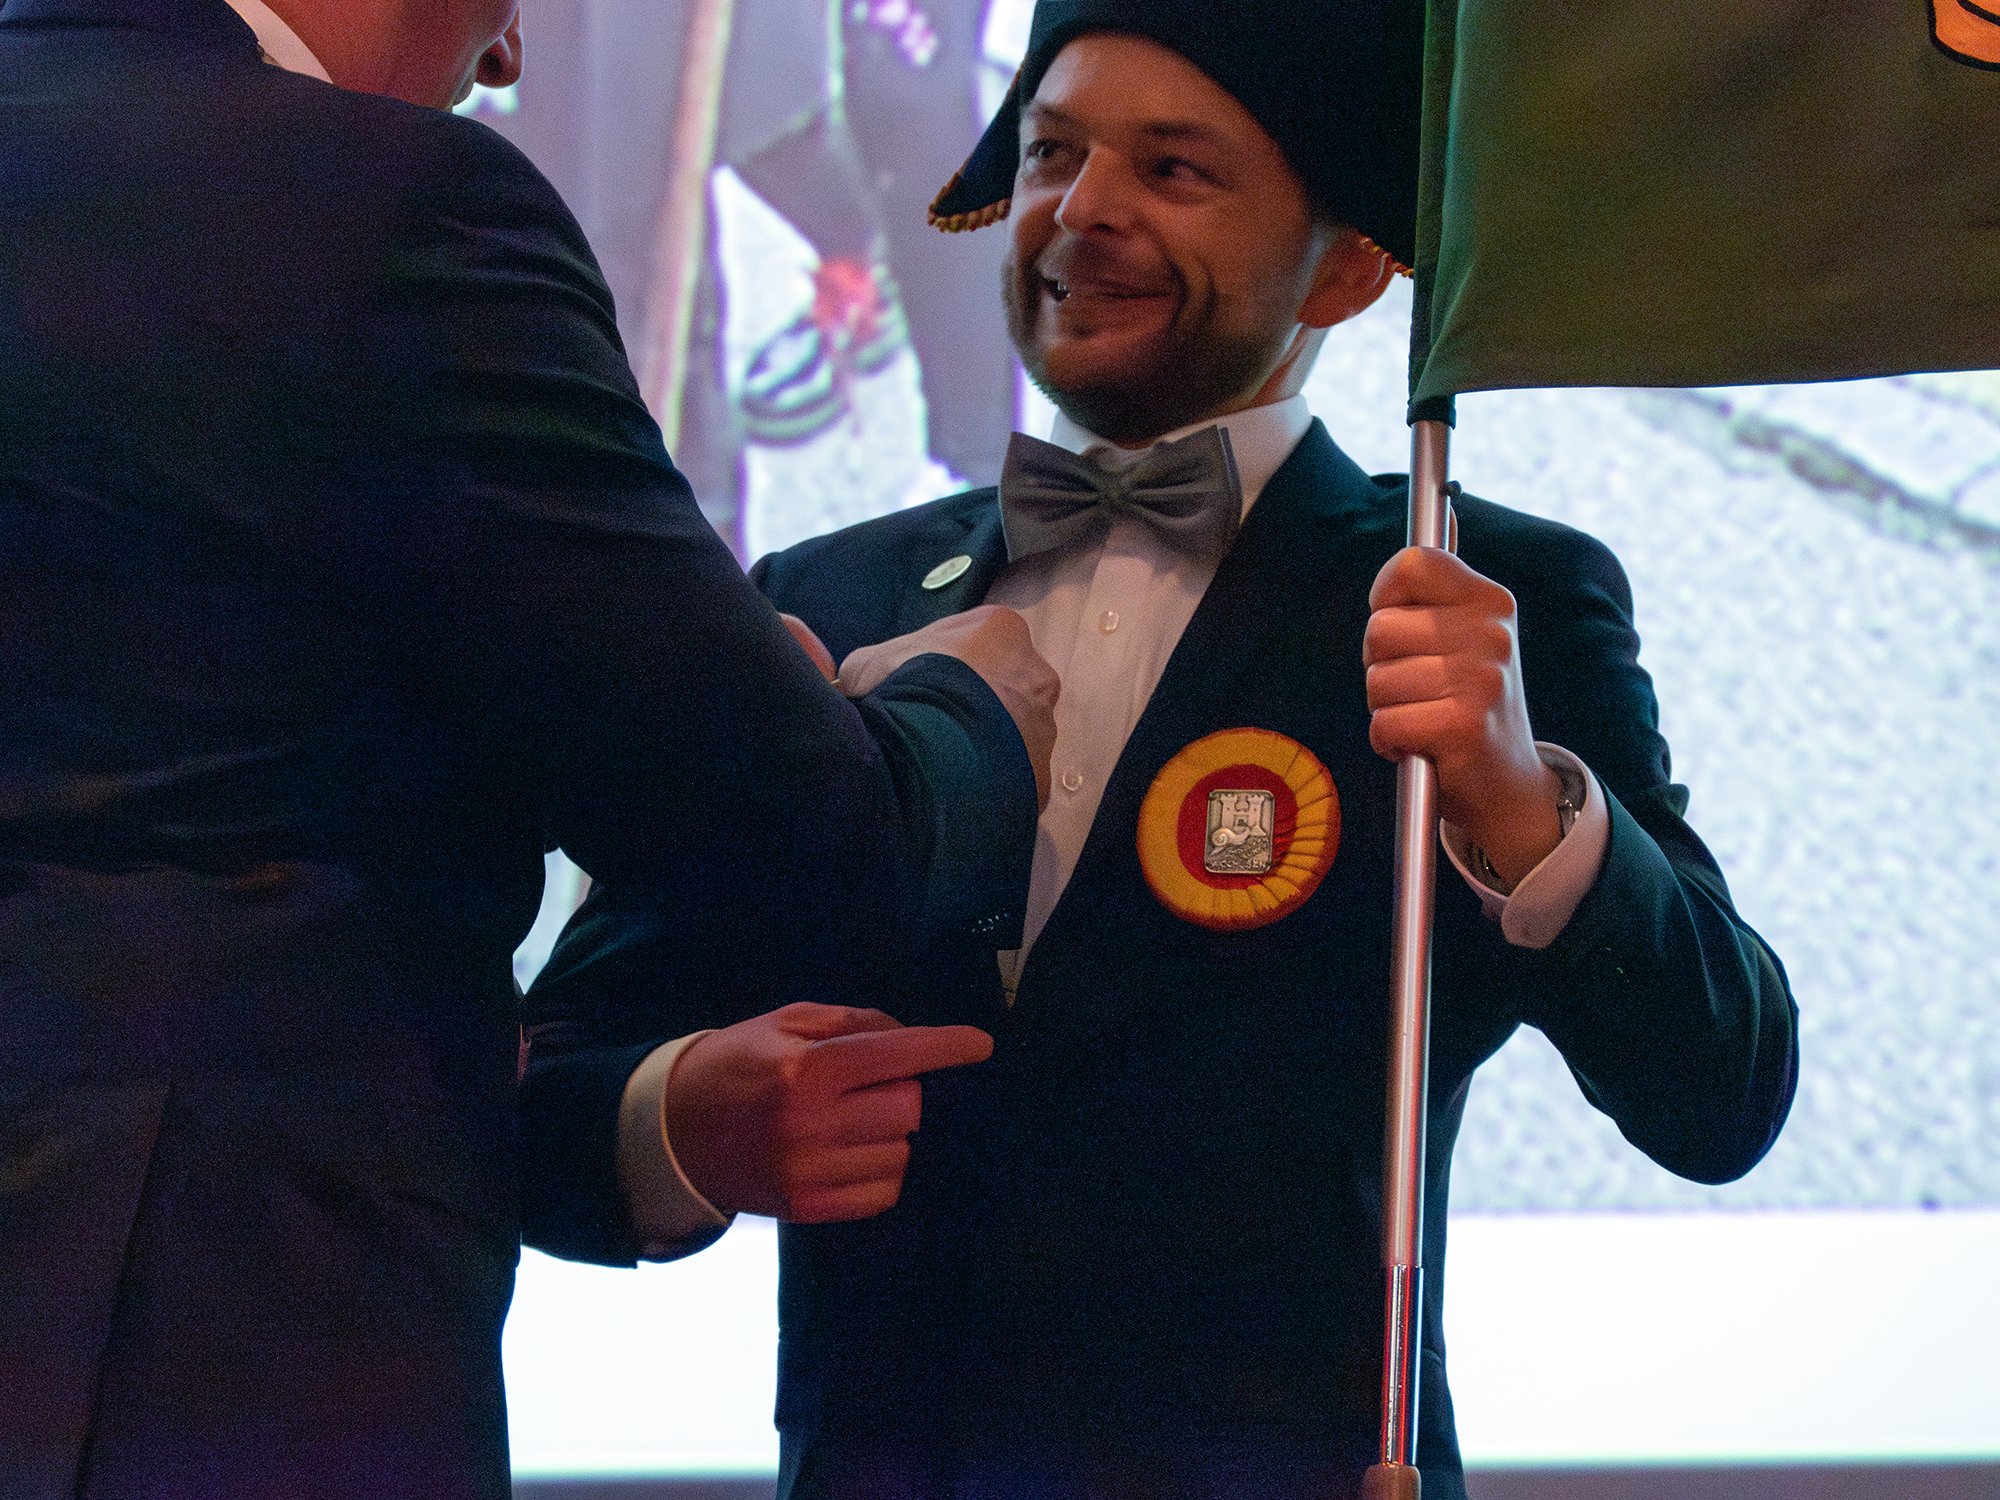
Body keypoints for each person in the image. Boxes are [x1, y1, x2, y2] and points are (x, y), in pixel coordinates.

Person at [525, 2, 1801, 1497]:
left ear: (1348, 264)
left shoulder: (1476, 599)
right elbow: (542, 1101)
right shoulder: (823, 597)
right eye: (1051, 153)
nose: (1082, 209)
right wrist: (683, 1122)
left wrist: (1524, 811)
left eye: (1174, 169)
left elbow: (1724, 1097)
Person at [0, 1, 1058, 1496]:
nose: (506, 57)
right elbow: (795, 844)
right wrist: (961, 713)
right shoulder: (384, 210)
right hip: (200, 1323)